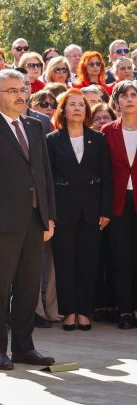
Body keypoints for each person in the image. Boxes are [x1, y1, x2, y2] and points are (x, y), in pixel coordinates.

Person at [0, 69, 57, 370]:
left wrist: (49, 217)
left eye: (23, 89)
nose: (21, 95)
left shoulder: (34, 126)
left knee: (29, 289)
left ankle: (23, 347)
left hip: (34, 220)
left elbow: (44, 176)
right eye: (13, 90)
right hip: (1, 224)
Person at [47, 89, 112, 331]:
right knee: (64, 263)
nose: (77, 108)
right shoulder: (52, 139)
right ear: (63, 110)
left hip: (92, 210)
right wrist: (50, 214)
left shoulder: (98, 138)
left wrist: (106, 210)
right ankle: (69, 312)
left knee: (88, 261)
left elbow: (106, 175)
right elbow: (48, 178)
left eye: (81, 105)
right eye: (72, 104)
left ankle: (85, 312)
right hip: (63, 211)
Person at [101, 80, 137, 329]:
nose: (130, 99)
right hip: (118, 203)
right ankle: (125, 311)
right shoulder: (107, 131)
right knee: (121, 257)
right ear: (116, 102)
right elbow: (103, 173)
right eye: (124, 95)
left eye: (134, 95)